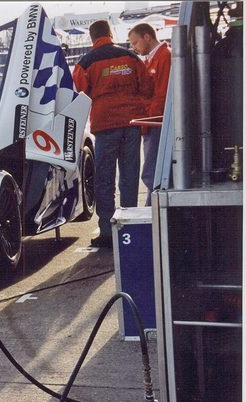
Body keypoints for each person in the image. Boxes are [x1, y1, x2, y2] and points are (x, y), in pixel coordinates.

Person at [72, 20, 152, 248]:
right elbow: (146, 87)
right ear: (110, 33)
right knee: (129, 176)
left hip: (105, 125)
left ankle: (107, 231)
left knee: (104, 178)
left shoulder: (85, 63)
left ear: (92, 38)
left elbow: (79, 93)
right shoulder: (131, 58)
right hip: (131, 123)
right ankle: (131, 228)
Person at [128, 24, 171, 206]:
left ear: (147, 37)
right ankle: (151, 207)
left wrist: (148, 120)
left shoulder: (164, 57)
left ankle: (152, 209)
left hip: (157, 123)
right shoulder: (152, 59)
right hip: (153, 122)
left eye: (135, 42)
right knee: (152, 170)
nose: (134, 48)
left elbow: (162, 95)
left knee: (151, 170)